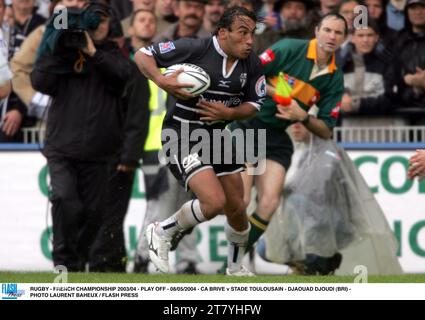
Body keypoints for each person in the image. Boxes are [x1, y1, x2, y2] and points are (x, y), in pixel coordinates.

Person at [134, 6, 266, 275]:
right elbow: (142, 54)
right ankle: (160, 232)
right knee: (213, 202)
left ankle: (234, 267)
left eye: (252, 33)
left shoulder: (252, 63)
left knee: (238, 208)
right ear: (223, 33)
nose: (250, 40)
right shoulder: (195, 48)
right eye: (243, 33)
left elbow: (254, 104)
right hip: (182, 134)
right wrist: (161, 79)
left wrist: (230, 113)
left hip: (217, 136)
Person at [228, 13, 347, 270]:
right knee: (243, 200)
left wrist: (302, 115)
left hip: (277, 136)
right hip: (249, 125)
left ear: (344, 38)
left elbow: (326, 130)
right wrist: (280, 96)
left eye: (338, 33)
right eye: (327, 30)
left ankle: (231, 264)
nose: (331, 36)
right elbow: (247, 73)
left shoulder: (335, 78)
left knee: (269, 202)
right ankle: (185, 222)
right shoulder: (289, 48)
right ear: (317, 30)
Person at [31, 1, 132, 271]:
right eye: (92, 19)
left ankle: (78, 262)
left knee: (94, 215)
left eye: (102, 19)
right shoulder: (63, 53)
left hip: (100, 154)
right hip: (62, 150)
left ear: (110, 23)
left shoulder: (114, 54)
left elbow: (124, 75)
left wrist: (92, 52)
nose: (98, 24)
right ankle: (63, 263)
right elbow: (39, 81)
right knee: (65, 200)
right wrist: (55, 43)